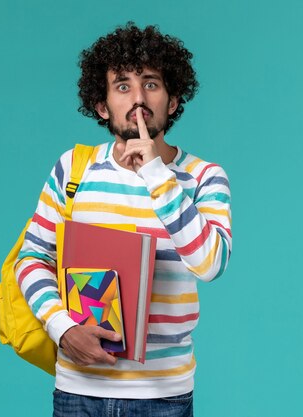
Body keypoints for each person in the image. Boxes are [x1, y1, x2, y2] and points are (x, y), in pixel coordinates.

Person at [15, 22, 232, 416]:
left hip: (163, 397)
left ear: (173, 100)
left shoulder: (204, 177)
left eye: (151, 83)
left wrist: (155, 174)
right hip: (77, 392)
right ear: (102, 106)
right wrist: (61, 328)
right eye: (122, 85)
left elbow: (210, 264)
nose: (137, 98)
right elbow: (31, 260)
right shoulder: (73, 170)